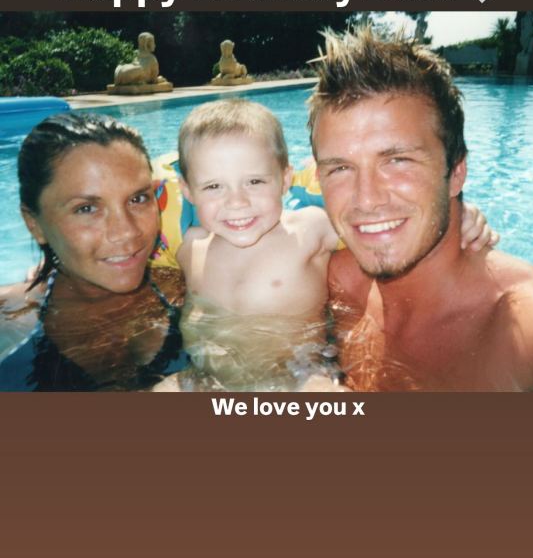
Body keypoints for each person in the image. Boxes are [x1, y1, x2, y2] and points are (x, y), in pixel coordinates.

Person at [155, 98, 497, 392]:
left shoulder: (309, 229)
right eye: (214, 187)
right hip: (203, 379)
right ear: (187, 191)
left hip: (298, 376)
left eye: (255, 181)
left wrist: (458, 216)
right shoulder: (190, 246)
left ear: (285, 180)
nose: (237, 202)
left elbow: (383, 230)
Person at [308, 27, 533, 391]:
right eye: (340, 168)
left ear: (456, 173)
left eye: (398, 160)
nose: (366, 200)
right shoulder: (332, 280)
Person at [0, 113, 187, 391]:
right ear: (34, 223)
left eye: (138, 198)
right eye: (86, 208)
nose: (126, 232)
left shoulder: (189, 290)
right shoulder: (9, 320)